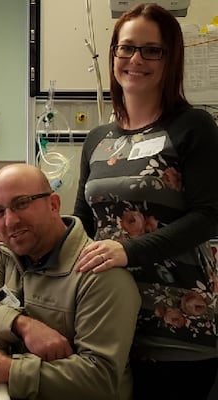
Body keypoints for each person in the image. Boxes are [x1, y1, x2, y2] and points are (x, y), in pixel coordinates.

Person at [72, 4, 218, 400]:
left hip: (179, 317)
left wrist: (127, 250)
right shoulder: (98, 139)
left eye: (152, 50)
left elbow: (208, 216)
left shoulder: (193, 126)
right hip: (109, 317)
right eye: (126, 48)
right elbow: (82, 221)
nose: (136, 59)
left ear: (171, 59)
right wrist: (16, 240)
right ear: (114, 53)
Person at [0, 163, 141, 400]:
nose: (10, 222)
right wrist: (22, 325)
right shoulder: (4, 255)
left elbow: (100, 379)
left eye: (21, 204)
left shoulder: (100, 274)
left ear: (54, 204)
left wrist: (9, 369)